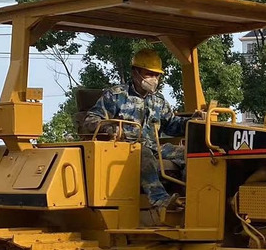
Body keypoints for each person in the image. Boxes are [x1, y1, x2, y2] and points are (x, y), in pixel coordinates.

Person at [80, 49, 187, 211]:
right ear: (135, 73)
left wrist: (194, 122)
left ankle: (189, 198)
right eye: (149, 74)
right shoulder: (116, 95)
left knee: (189, 155)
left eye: (156, 75)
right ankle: (160, 200)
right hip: (124, 148)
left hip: (154, 147)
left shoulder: (158, 100)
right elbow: (90, 120)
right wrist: (111, 128)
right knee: (142, 153)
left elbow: (171, 124)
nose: (154, 79)